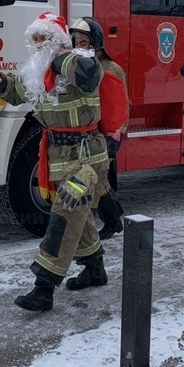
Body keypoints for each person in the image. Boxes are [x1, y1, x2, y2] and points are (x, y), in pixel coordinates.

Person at [0, 11, 110, 312]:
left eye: (45, 37)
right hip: (58, 156)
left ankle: (43, 288)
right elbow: (18, 90)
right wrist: (1, 81)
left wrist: (60, 54)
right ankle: (95, 269)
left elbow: (90, 75)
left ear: (58, 40)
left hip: (86, 160)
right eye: (36, 38)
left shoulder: (80, 62)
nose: (39, 44)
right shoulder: (39, 71)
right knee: (79, 217)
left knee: (64, 220)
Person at [69, 17, 129, 240]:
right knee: (97, 179)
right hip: (91, 133)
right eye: (75, 42)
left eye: (82, 42)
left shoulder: (110, 68)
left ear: (94, 42)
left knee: (98, 179)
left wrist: (114, 135)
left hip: (108, 132)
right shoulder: (80, 67)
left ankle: (113, 222)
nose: (78, 47)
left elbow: (119, 105)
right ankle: (111, 221)